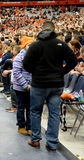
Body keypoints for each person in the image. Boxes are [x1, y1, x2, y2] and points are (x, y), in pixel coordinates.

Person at [23, 21, 78, 152]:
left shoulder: (35, 45)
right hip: (56, 84)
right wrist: (62, 72)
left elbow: (26, 64)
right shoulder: (61, 44)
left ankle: (35, 140)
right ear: (54, 30)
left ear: (42, 30)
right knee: (54, 113)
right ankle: (52, 143)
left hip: (39, 84)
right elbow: (73, 61)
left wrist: (35, 73)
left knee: (35, 111)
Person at [13, 37, 34, 136]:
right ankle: (21, 126)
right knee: (21, 107)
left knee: (30, 107)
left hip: (32, 87)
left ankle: (29, 126)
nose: (31, 46)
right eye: (29, 45)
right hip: (21, 88)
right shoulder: (19, 57)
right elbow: (17, 73)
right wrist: (26, 85)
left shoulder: (35, 57)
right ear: (25, 46)